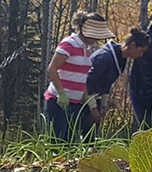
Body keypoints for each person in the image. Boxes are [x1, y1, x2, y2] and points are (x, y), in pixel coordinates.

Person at [43, 11, 115, 142]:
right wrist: (61, 93)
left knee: (69, 142)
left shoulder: (86, 50)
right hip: (59, 102)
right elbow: (52, 69)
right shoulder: (69, 44)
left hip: (75, 103)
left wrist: (87, 98)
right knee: (58, 142)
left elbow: (82, 78)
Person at [86, 28, 150, 125]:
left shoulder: (121, 60)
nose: (141, 55)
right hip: (83, 100)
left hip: (95, 100)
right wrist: (93, 109)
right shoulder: (105, 57)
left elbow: (106, 83)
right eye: (141, 51)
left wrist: (103, 106)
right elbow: (87, 82)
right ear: (133, 46)